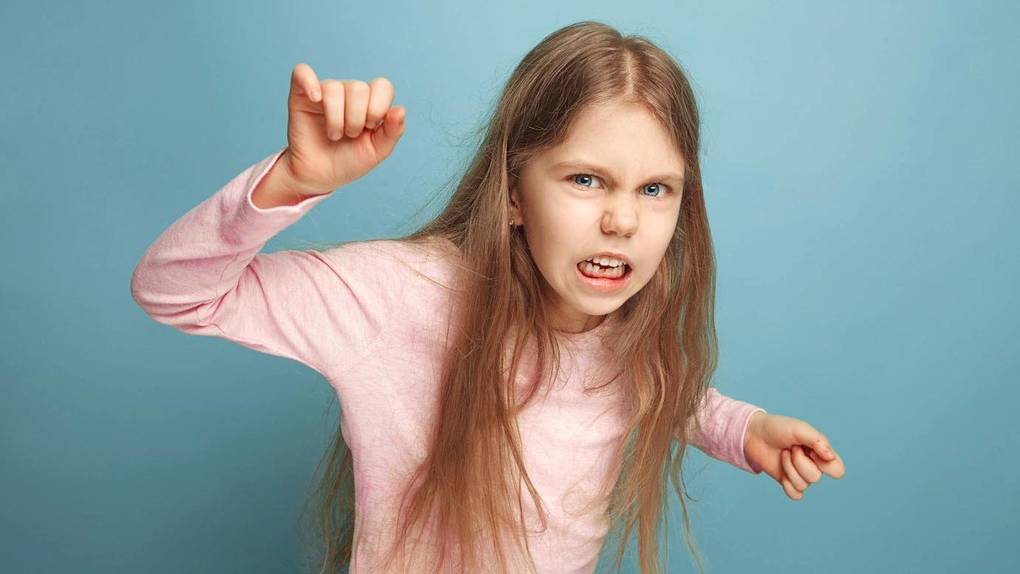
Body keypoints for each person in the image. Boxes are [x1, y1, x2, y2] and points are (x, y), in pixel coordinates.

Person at [130, 20, 845, 574]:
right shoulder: (400, 297)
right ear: (512, 194)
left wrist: (746, 430)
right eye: (586, 180)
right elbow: (176, 293)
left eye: (655, 189)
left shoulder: (626, 332)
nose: (623, 221)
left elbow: (656, 385)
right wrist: (292, 181)